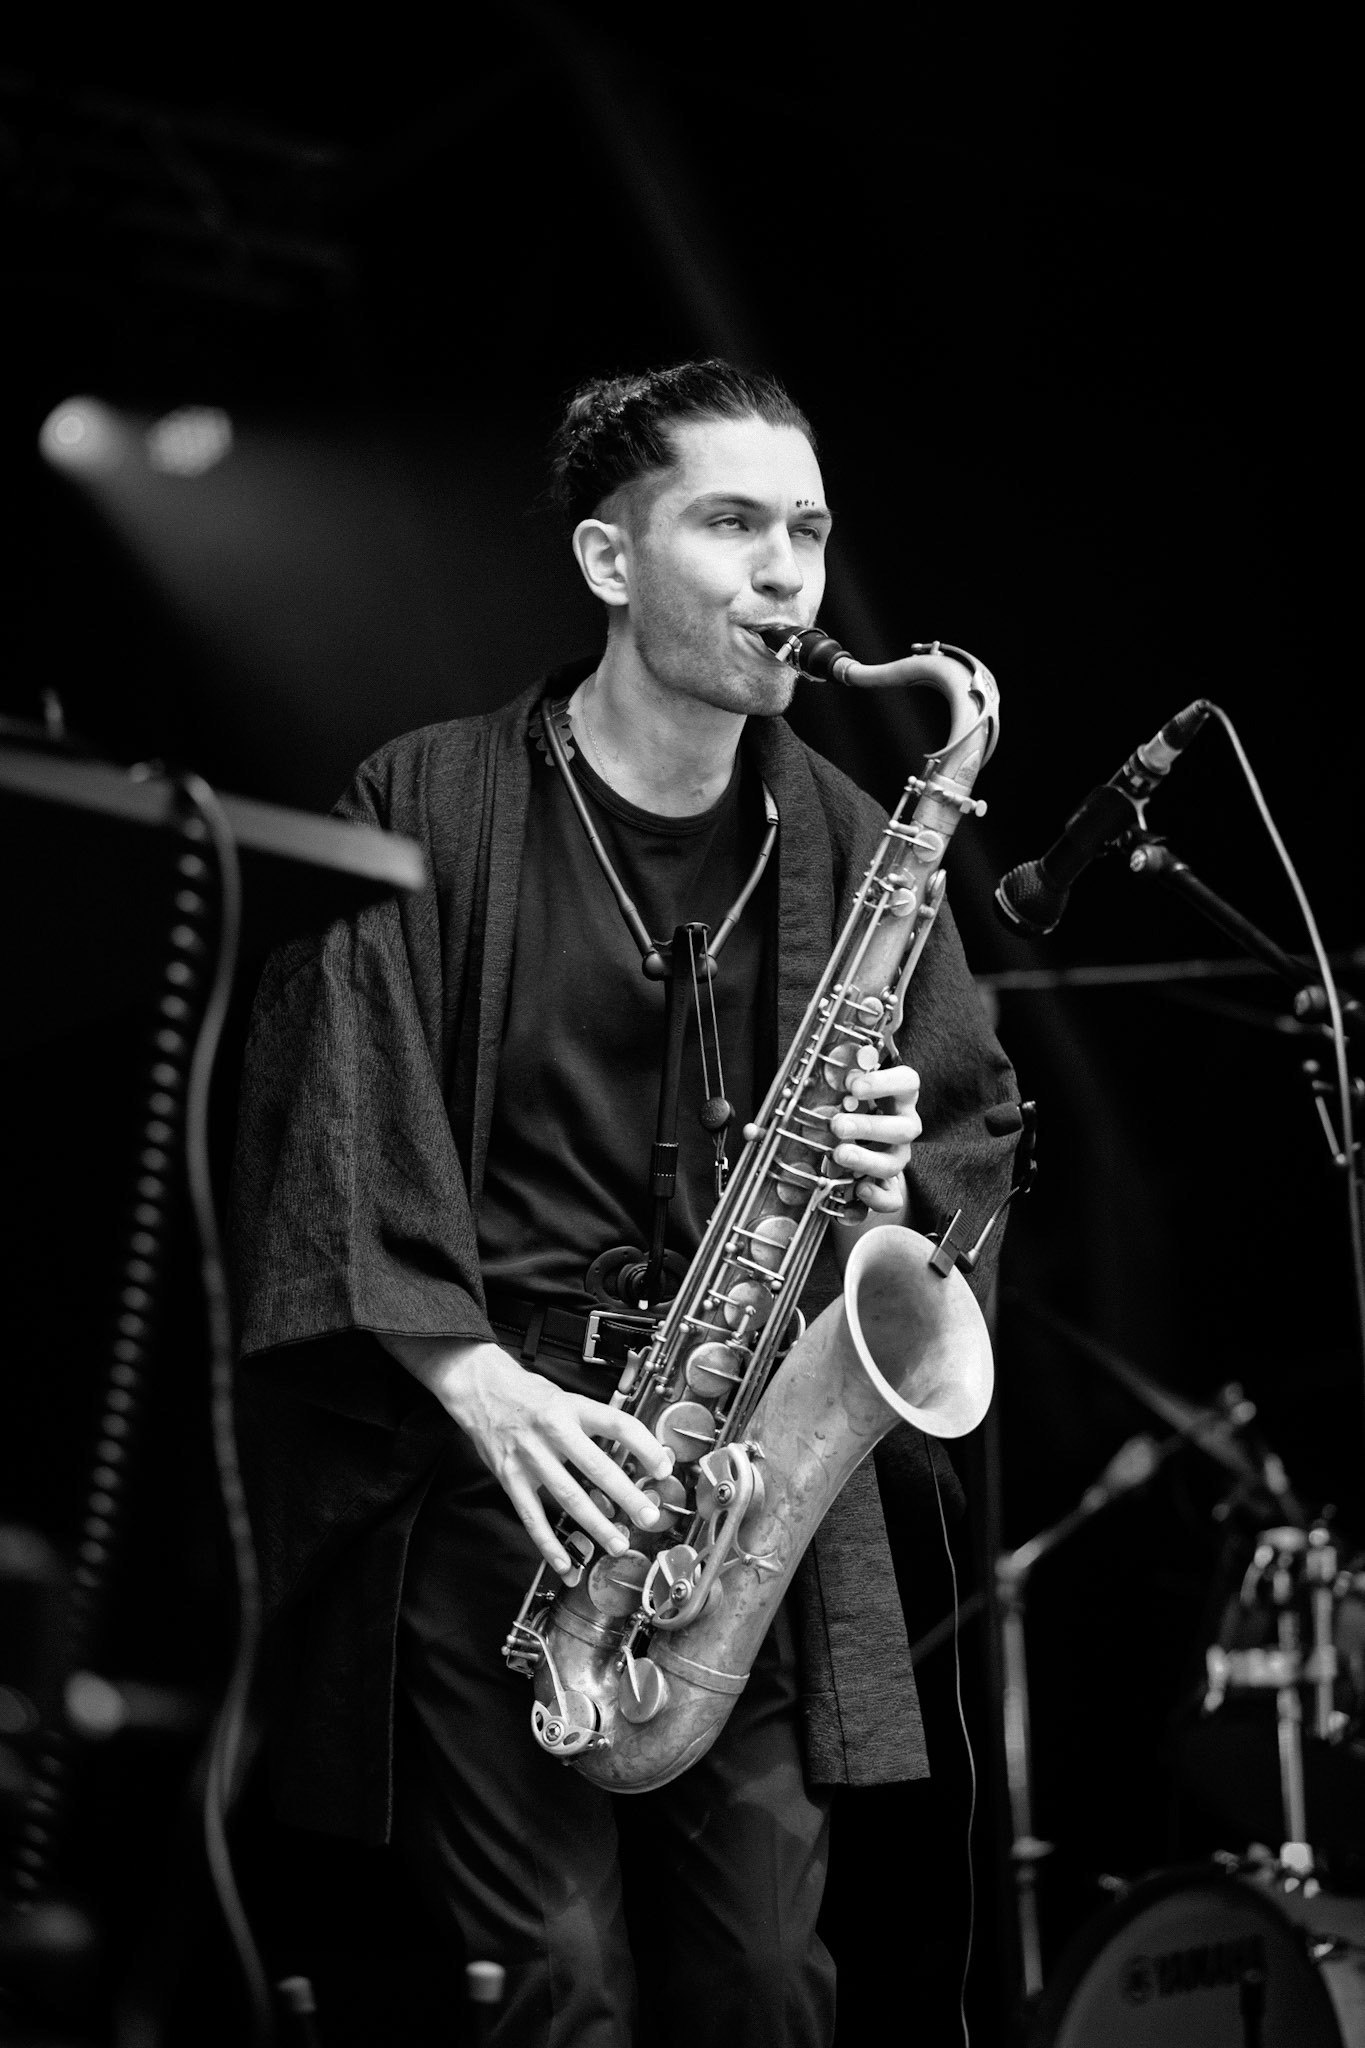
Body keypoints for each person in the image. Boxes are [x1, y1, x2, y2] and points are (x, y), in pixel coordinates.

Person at [231, 359, 1019, 2047]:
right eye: (730, 523)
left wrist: (890, 1181)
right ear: (607, 560)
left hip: (734, 1480)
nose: (785, 573)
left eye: (805, 529)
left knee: (760, 1989)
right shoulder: (420, 802)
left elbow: (965, 1147)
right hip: (498, 1473)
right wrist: (472, 1382)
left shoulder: (861, 834)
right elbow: (327, 1129)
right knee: (560, 1990)